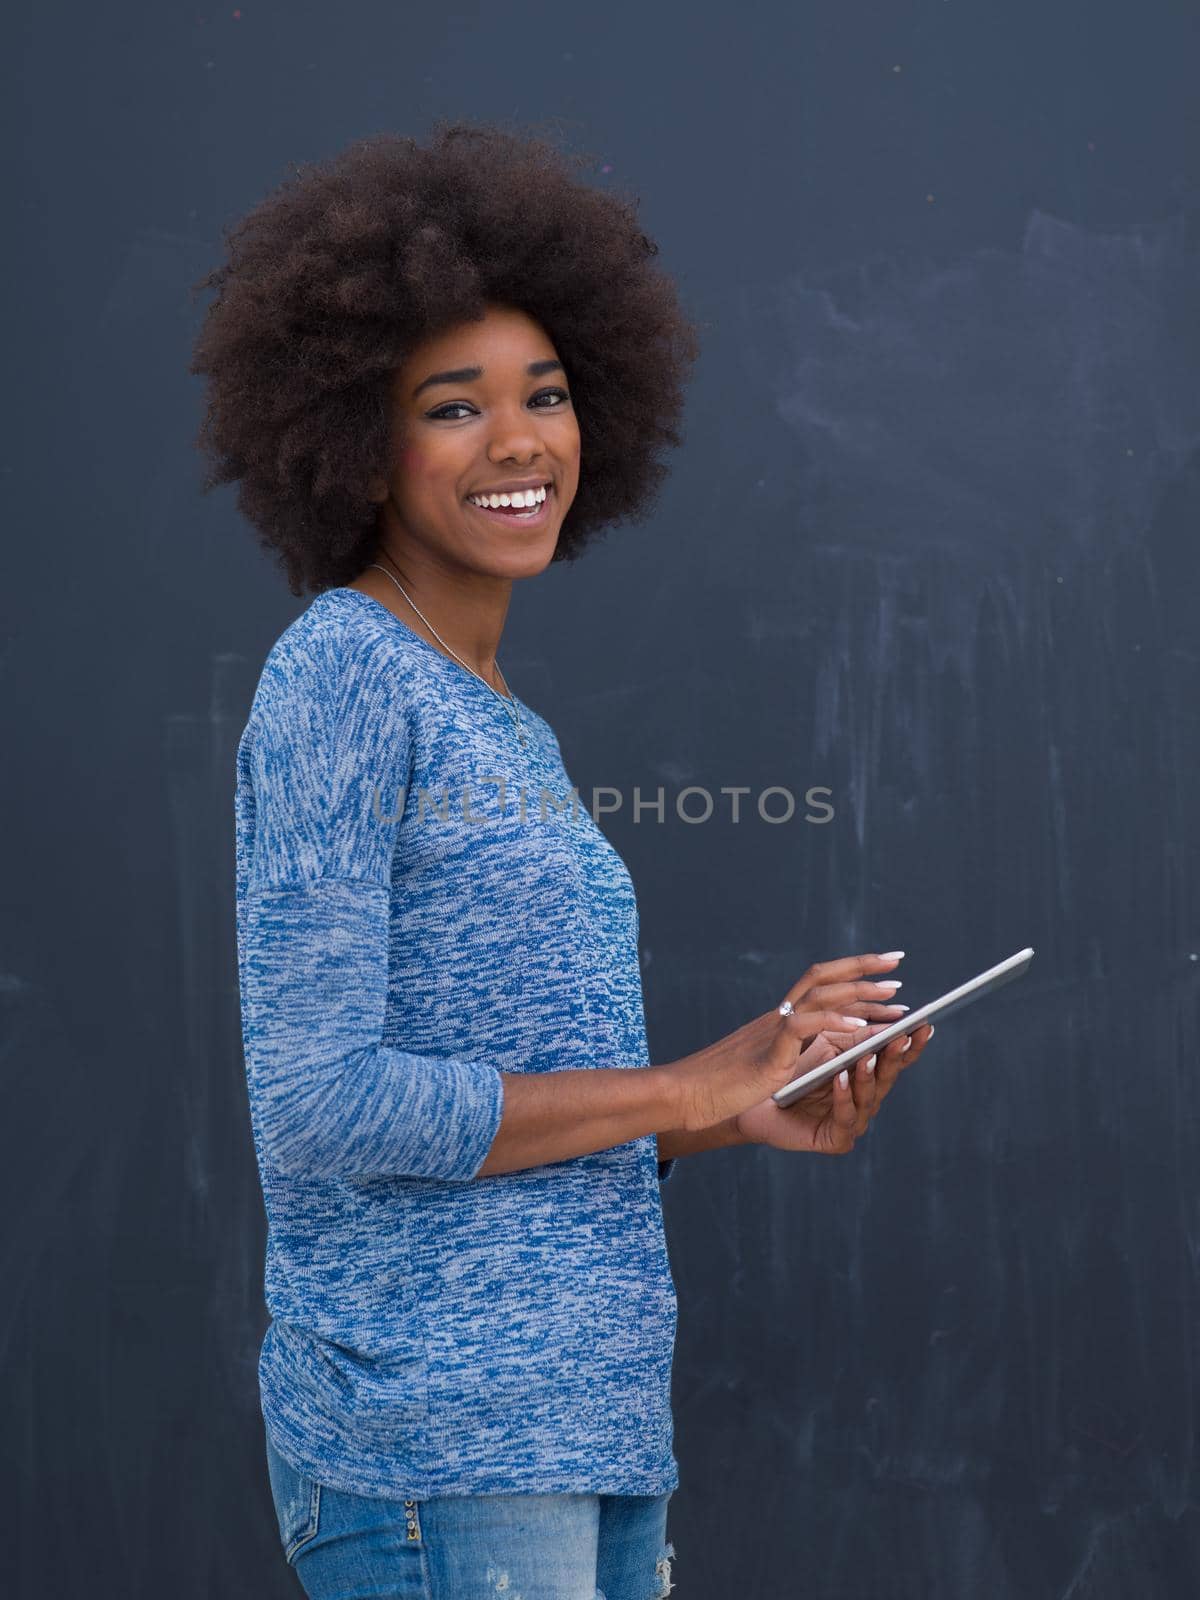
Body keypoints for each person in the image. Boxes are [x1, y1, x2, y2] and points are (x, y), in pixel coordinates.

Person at [190, 118, 933, 1600]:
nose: (521, 441)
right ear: (352, 438)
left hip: (584, 1433)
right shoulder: (344, 671)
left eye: (547, 393)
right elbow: (323, 1102)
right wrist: (679, 1087)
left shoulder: (501, 724)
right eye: (453, 406)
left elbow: (510, 1122)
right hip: (435, 1446)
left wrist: (743, 1098)